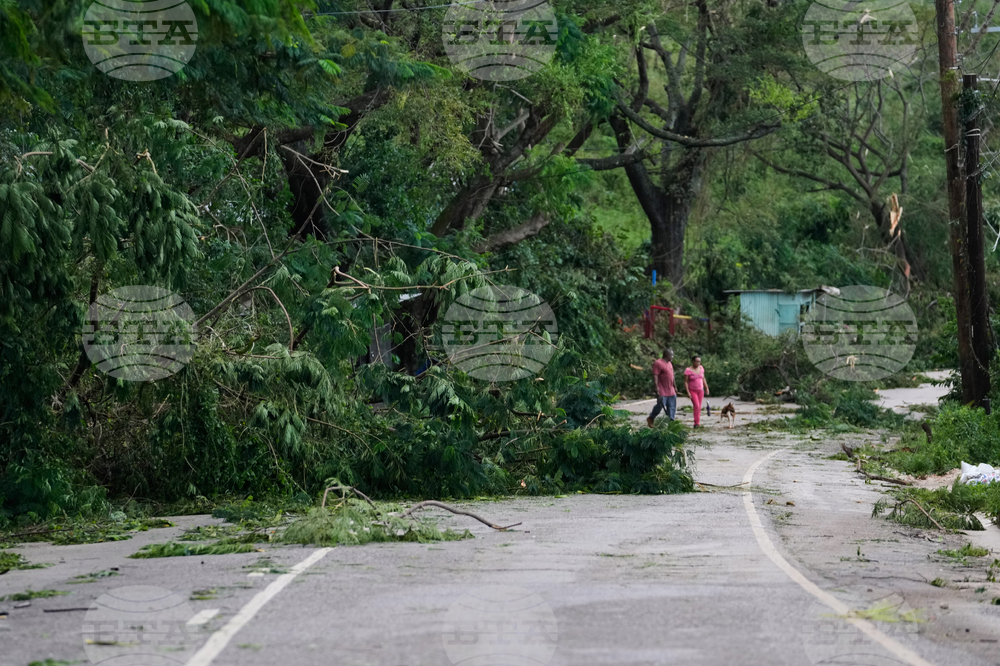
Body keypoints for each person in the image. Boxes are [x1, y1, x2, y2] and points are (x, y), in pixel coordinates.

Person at [646, 348, 676, 427]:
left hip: (671, 390)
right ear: (667, 355)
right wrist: (656, 388)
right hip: (662, 389)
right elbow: (655, 376)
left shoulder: (670, 363)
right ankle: (651, 417)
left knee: (672, 407)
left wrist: (675, 386)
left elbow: (672, 376)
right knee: (659, 406)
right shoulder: (658, 363)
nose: (672, 357)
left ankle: (671, 422)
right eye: (671, 355)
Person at [683, 355, 710, 427]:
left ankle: (697, 422)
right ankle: (696, 422)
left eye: (699, 362)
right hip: (692, 390)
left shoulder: (701, 368)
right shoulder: (688, 370)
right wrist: (688, 392)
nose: (698, 363)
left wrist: (706, 387)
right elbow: (686, 382)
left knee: (699, 406)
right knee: (696, 405)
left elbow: (703, 378)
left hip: (700, 390)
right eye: (697, 361)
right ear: (693, 361)